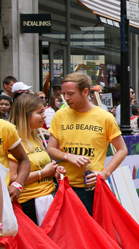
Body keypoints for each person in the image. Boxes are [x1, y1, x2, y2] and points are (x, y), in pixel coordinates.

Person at [47, 72, 128, 215]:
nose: (66, 98)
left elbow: (122, 150)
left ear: (85, 92)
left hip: (91, 189)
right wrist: (68, 156)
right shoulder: (60, 115)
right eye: (64, 93)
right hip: (64, 187)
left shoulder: (105, 117)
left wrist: (104, 173)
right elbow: (51, 149)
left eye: (70, 94)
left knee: (95, 235)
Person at [7, 94, 65, 225]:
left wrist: (54, 170)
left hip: (48, 199)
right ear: (25, 115)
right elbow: (12, 178)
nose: (44, 116)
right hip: (28, 204)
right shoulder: (13, 142)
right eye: (40, 113)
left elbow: (40, 166)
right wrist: (43, 173)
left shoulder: (36, 137)